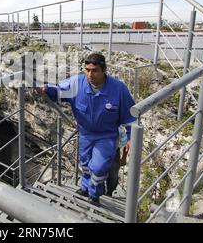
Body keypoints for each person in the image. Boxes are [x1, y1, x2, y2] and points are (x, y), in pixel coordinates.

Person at [43, 52, 135, 204]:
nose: (89, 74)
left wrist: (131, 138)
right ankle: (85, 188)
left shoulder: (118, 89)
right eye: (87, 70)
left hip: (107, 136)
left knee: (98, 168)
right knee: (85, 165)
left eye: (94, 70)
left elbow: (130, 115)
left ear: (104, 70)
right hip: (85, 134)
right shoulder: (77, 83)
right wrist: (46, 89)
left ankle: (95, 194)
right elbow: (58, 91)